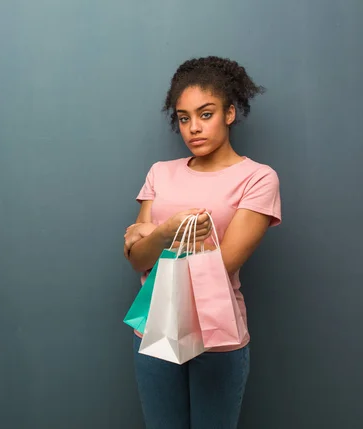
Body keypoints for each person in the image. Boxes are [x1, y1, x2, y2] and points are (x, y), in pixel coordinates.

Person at [123, 56, 282, 429]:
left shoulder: (257, 178)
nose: (193, 128)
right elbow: (135, 261)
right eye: (183, 118)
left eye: (205, 114)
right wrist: (167, 232)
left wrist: (150, 237)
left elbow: (223, 265)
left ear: (229, 113)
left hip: (217, 336)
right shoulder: (161, 173)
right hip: (154, 331)